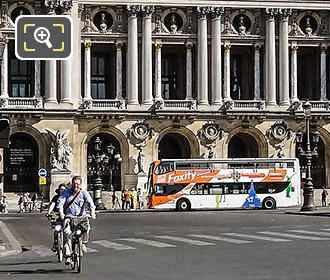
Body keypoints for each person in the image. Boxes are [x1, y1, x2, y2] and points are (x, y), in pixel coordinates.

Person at [57, 176, 96, 265]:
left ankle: (83, 243)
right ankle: (68, 255)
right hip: (69, 216)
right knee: (67, 234)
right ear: (72, 184)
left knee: (87, 228)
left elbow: (91, 203)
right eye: (74, 183)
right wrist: (61, 213)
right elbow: (60, 203)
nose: (76, 186)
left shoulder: (84, 193)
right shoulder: (66, 192)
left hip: (81, 217)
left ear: (80, 184)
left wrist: (92, 212)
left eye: (78, 184)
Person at [46, 183, 67, 251]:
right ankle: (55, 243)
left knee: (67, 230)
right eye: (61, 189)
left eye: (64, 190)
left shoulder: (67, 197)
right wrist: (49, 212)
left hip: (66, 214)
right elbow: (52, 204)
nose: (62, 191)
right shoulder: (56, 197)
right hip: (56, 214)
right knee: (57, 228)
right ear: (59, 190)